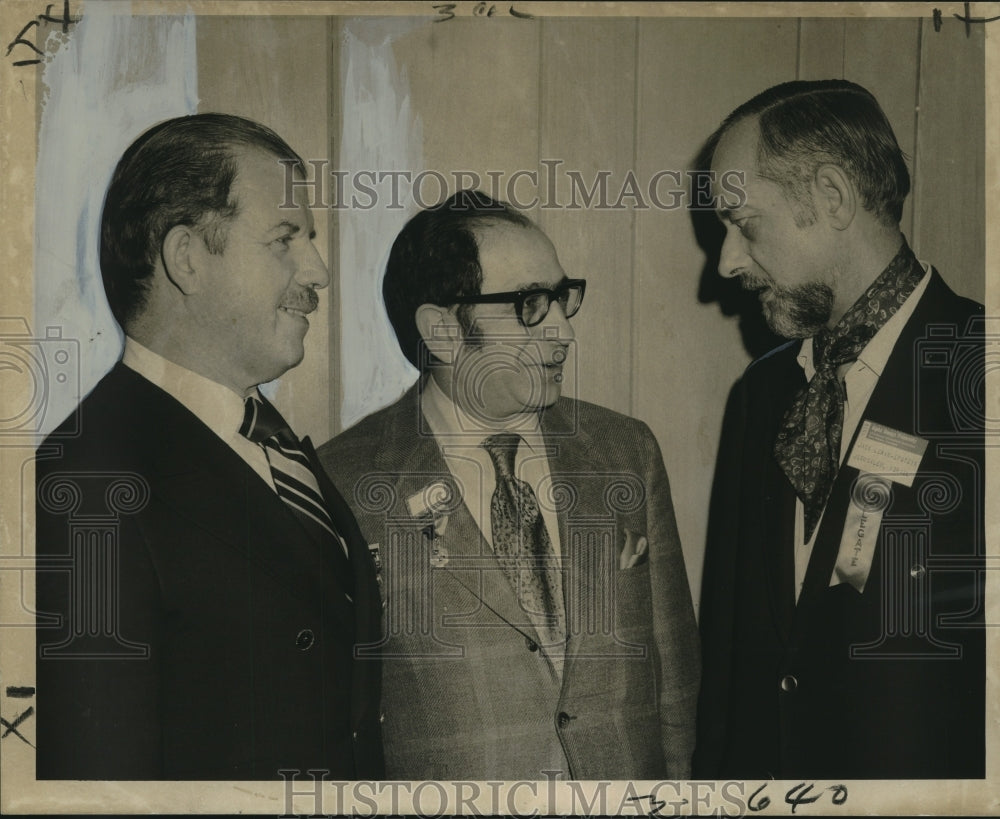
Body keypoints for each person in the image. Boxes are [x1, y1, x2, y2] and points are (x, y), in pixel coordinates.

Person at [34, 114, 384, 780]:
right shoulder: (85, 488)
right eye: (287, 238)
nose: (319, 270)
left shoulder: (268, 437)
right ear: (187, 257)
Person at [317, 190, 699, 781]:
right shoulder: (343, 481)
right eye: (530, 304)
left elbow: (675, 679)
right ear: (443, 331)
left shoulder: (626, 451)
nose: (564, 331)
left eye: (564, 298)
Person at [694, 80, 985, 779]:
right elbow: (732, 667)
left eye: (744, 223)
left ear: (831, 196)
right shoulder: (761, 394)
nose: (726, 262)